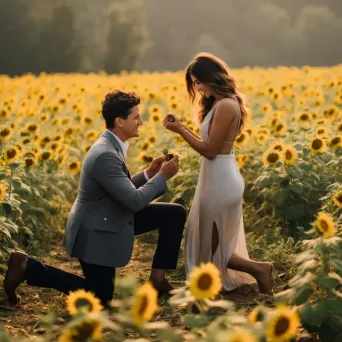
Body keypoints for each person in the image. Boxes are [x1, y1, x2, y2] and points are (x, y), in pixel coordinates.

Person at [4, 90, 186, 308]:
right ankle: (26, 266)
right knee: (100, 298)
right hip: (96, 230)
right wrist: (164, 176)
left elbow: (119, 188)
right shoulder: (106, 154)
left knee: (173, 214)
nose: (142, 121)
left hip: (109, 215)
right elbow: (135, 201)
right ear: (120, 121)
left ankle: (157, 280)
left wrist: (149, 174)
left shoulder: (111, 144)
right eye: (136, 117)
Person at [163, 52, 273, 294]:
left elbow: (210, 151)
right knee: (211, 244)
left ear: (211, 78)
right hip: (217, 175)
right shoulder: (222, 103)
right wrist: (181, 128)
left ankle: (259, 269)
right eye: (194, 84)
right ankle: (253, 271)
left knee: (211, 247)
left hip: (221, 179)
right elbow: (209, 144)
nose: (197, 88)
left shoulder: (225, 105)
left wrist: (180, 130)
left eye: (198, 82)